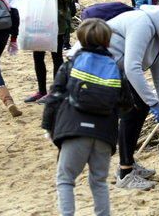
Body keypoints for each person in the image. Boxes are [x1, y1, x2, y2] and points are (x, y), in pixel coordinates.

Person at [93, 0, 159, 189]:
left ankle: (128, 162)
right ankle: (125, 172)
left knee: (138, 106)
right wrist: (154, 104)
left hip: (116, 70)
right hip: (96, 68)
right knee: (136, 108)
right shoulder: (143, 23)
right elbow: (132, 68)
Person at [42, 18, 120, 216]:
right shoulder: (115, 68)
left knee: (65, 179)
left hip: (74, 130)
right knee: (99, 182)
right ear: (107, 42)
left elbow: (54, 97)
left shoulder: (71, 64)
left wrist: (48, 128)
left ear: (81, 40)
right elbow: (125, 103)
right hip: (104, 134)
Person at [21, 0, 77, 104]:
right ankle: (41, 90)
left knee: (56, 56)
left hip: (57, 22)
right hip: (37, 22)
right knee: (37, 55)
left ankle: (56, 91)